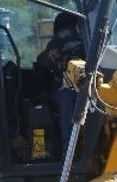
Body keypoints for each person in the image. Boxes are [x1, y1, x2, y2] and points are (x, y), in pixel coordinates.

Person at [36, 12, 86, 155]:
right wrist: (52, 56)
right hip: (63, 87)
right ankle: (70, 147)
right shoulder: (63, 36)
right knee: (68, 96)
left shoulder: (99, 35)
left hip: (91, 86)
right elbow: (43, 60)